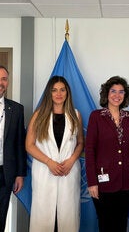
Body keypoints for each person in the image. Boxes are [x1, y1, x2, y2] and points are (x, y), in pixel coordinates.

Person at [26, 76, 84, 232]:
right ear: (49, 93)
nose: (59, 94)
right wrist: (49, 162)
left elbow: (80, 143)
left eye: (62, 90)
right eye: (54, 90)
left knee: (67, 219)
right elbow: (29, 145)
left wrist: (72, 159)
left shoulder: (75, 115)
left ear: (67, 93)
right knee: (44, 219)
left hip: (69, 172)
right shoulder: (39, 115)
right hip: (45, 172)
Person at [85, 76, 129, 232]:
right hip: (103, 181)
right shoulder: (96, 116)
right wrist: (92, 181)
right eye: (113, 91)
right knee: (106, 224)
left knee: (121, 224)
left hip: (126, 181)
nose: (117, 95)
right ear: (106, 94)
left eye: (121, 92)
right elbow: (90, 149)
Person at [0, 65, 26, 232]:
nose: (1, 82)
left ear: (8, 82)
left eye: (4, 79)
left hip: (5, 172)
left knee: (1, 215)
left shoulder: (16, 109)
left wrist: (20, 174)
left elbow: (19, 143)